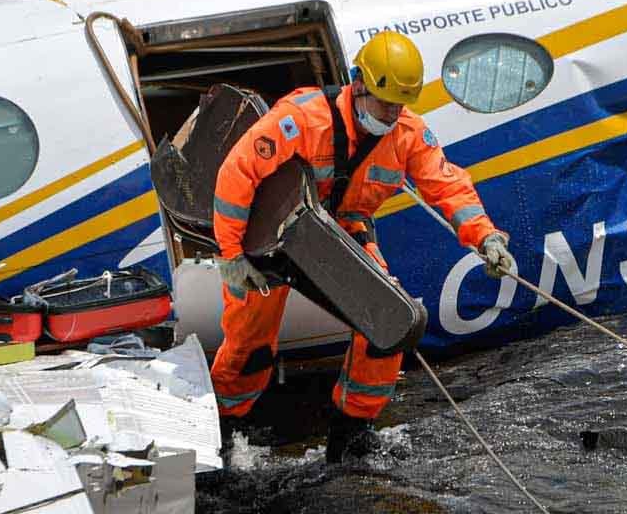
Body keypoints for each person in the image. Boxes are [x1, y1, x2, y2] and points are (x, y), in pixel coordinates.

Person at [209, 30, 515, 463]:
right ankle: (225, 429)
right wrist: (231, 257)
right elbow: (236, 177)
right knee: (248, 343)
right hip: (270, 237)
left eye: (398, 105)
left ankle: (351, 434)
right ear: (358, 85)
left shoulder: (408, 134)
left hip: (343, 232)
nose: (391, 115)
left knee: (389, 323)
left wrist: (485, 237)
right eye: (384, 103)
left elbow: (447, 185)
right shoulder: (301, 119)